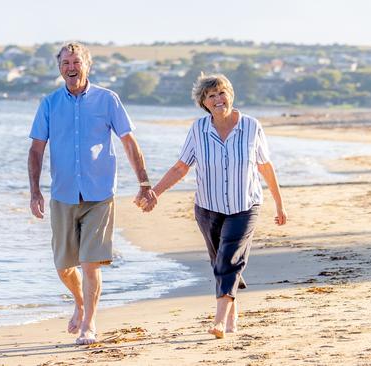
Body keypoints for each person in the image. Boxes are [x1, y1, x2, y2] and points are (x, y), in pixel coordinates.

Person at [28, 42, 157, 345]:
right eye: (65, 64)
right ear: (59, 68)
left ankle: (89, 324)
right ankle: (80, 301)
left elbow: (128, 141)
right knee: (63, 266)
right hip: (62, 194)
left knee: (90, 263)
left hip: (99, 194)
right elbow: (36, 149)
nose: (70, 68)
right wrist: (34, 192)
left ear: (87, 65)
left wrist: (144, 182)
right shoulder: (49, 104)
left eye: (76, 62)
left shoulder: (107, 100)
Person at [139, 73, 287, 339]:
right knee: (220, 262)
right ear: (204, 102)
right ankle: (232, 312)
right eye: (211, 95)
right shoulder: (198, 129)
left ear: (231, 94)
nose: (218, 99)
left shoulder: (252, 127)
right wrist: (155, 193)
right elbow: (181, 167)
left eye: (222, 93)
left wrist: (279, 204)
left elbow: (265, 166)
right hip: (208, 208)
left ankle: (219, 322)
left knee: (228, 261)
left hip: (245, 206)